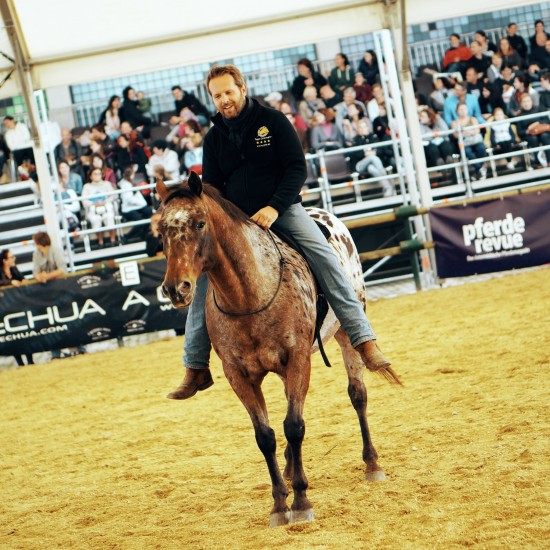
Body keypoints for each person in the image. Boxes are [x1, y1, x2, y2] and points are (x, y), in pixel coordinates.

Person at [166, 64, 391, 400]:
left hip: (283, 211)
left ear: (242, 88)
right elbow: (212, 186)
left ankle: (363, 339)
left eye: (228, 92)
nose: (224, 100)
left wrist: (274, 206)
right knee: (204, 277)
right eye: (217, 95)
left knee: (325, 258)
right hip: (237, 220)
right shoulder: (213, 138)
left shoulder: (272, 121)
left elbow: (296, 167)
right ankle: (195, 366)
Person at [0, 249, 34, 367]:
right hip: (6, 308)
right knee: (13, 335)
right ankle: (20, 362)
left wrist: (24, 280)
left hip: (19, 306)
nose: (14, 259)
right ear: (4, 260)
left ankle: (30, 360)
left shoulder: (14, 269)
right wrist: (10, 282)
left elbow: (21, 278)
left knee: (26, 332)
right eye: (11, 257)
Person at [81, 167, 117, 247]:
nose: (97, 176)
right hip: (93, 209)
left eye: (99, 174)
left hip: (106, 207)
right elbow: (84, 200)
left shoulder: (107, 184)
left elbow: (113, 196)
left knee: (109, 217)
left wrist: (105, 202)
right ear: (90, 176)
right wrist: (93, 204)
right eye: (95, 174)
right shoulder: (87, 186)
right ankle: (100, 241)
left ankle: (113, 240)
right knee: (95, 220)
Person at [451, 103, 487, 180]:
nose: (463, 111)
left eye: (464, 109)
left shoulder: (473, 119)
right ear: (457, 111)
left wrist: (464, 132)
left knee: (482, 148)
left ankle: (477, 170)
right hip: (465, 143)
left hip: (476, 140)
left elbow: (477, 130)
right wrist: (470, 131)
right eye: (461, 109)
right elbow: (456, 135)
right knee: (467, 152)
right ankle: (481, 168)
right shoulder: (454, 122)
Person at [118, 166, 153, 242]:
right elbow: (128, 199)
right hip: (128, 209)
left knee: (149, 212)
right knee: (140, 221)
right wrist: (140, 203)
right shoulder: (125, 184)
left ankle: (143, 234)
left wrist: (142, 203)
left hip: (138, 206)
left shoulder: (131, 182)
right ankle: (126, 237)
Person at [515, 93, 550, 168]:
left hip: (542, 132)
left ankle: (549, 160)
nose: (526, 103)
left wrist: (536, 124)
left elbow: (546, 120)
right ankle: (538, 163)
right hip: (529, 135)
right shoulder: (519, 115)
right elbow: (520, 132)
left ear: (531, 101)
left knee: (545, 136)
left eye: (528, 101)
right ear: (521, 104)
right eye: (524, 102)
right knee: (533, 139)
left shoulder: (539, 109)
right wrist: (528, 130)